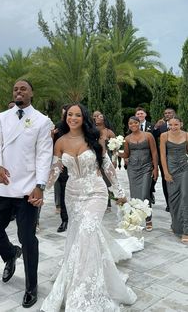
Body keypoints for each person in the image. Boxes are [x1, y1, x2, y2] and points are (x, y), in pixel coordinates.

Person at [41, 104, 144, 312]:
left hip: (96, 192)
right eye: (70, 114)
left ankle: (85, 287)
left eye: (77, 115)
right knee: (78, 234)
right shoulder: (59, 141)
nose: (73, 118)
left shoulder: (94, 137)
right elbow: (54, 170)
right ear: (65, 117)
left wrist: (120, 192)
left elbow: (107, 166)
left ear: (84, 117)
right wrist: (41, 190)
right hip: (72, 195)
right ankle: (78, 273)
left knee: (87, 231)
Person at [0, 79, 53, 308]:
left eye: (23, 88)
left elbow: (44, 154)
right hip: (2, 185)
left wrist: (40, 185)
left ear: (31, 93)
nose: (18, 91)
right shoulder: (1, 117)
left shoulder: (42, 121)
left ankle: (31, 286)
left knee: (27, 238)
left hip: (27, 189)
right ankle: (10, 254)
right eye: (15, 88)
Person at [118, 116, 158, 231]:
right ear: (128, 125)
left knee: (145, 193)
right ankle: (136, 218)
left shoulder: (148, 136)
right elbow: (126, 154)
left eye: (135, 123)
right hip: (133, 169)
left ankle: (148, 218)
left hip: (146, 167)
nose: (133, 125)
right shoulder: (128, 138)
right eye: (130, 124)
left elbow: (154, 152)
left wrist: (155, 168)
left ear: (139, 123)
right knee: (135, 195)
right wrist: (116, 151)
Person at [160, 116, 188, 243]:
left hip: (184, 169)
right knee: (173, 198)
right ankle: (175, 225)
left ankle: (185, 230)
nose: (173, 127)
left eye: (176, 124)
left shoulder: (187, 135)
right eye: (170, 125)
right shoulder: (164, 136)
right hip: (171, 169)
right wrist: (166, 172)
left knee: (185, 197)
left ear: (181, 124)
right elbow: (162, 155)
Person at [153, 107, 176, 212]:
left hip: (176, 158)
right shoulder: (161, 127)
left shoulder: (178, 126)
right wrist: (156, 127)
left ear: (174, 114)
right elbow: (152, 137)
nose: (167, 115)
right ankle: (169, 204)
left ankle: (177, 202)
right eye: (166, 113)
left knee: (177, 180)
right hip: (163, 158)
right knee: (165, 180)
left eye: (169, 113)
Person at [53, 104, 69, 232]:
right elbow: (54, 146)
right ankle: (64, 220)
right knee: (63, 193)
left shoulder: (82, 127)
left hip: (79, 166)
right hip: (63, 165)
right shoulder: (58, 126)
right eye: (64, 114)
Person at [135, 107, 155, 203]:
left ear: (145, 114)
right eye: (138, 114)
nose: (140, 115)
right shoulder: (132, 127)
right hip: (136, 158)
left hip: (149, 156)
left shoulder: (151, 126)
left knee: (150, 178)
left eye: (141, 113)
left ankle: (150, 192)